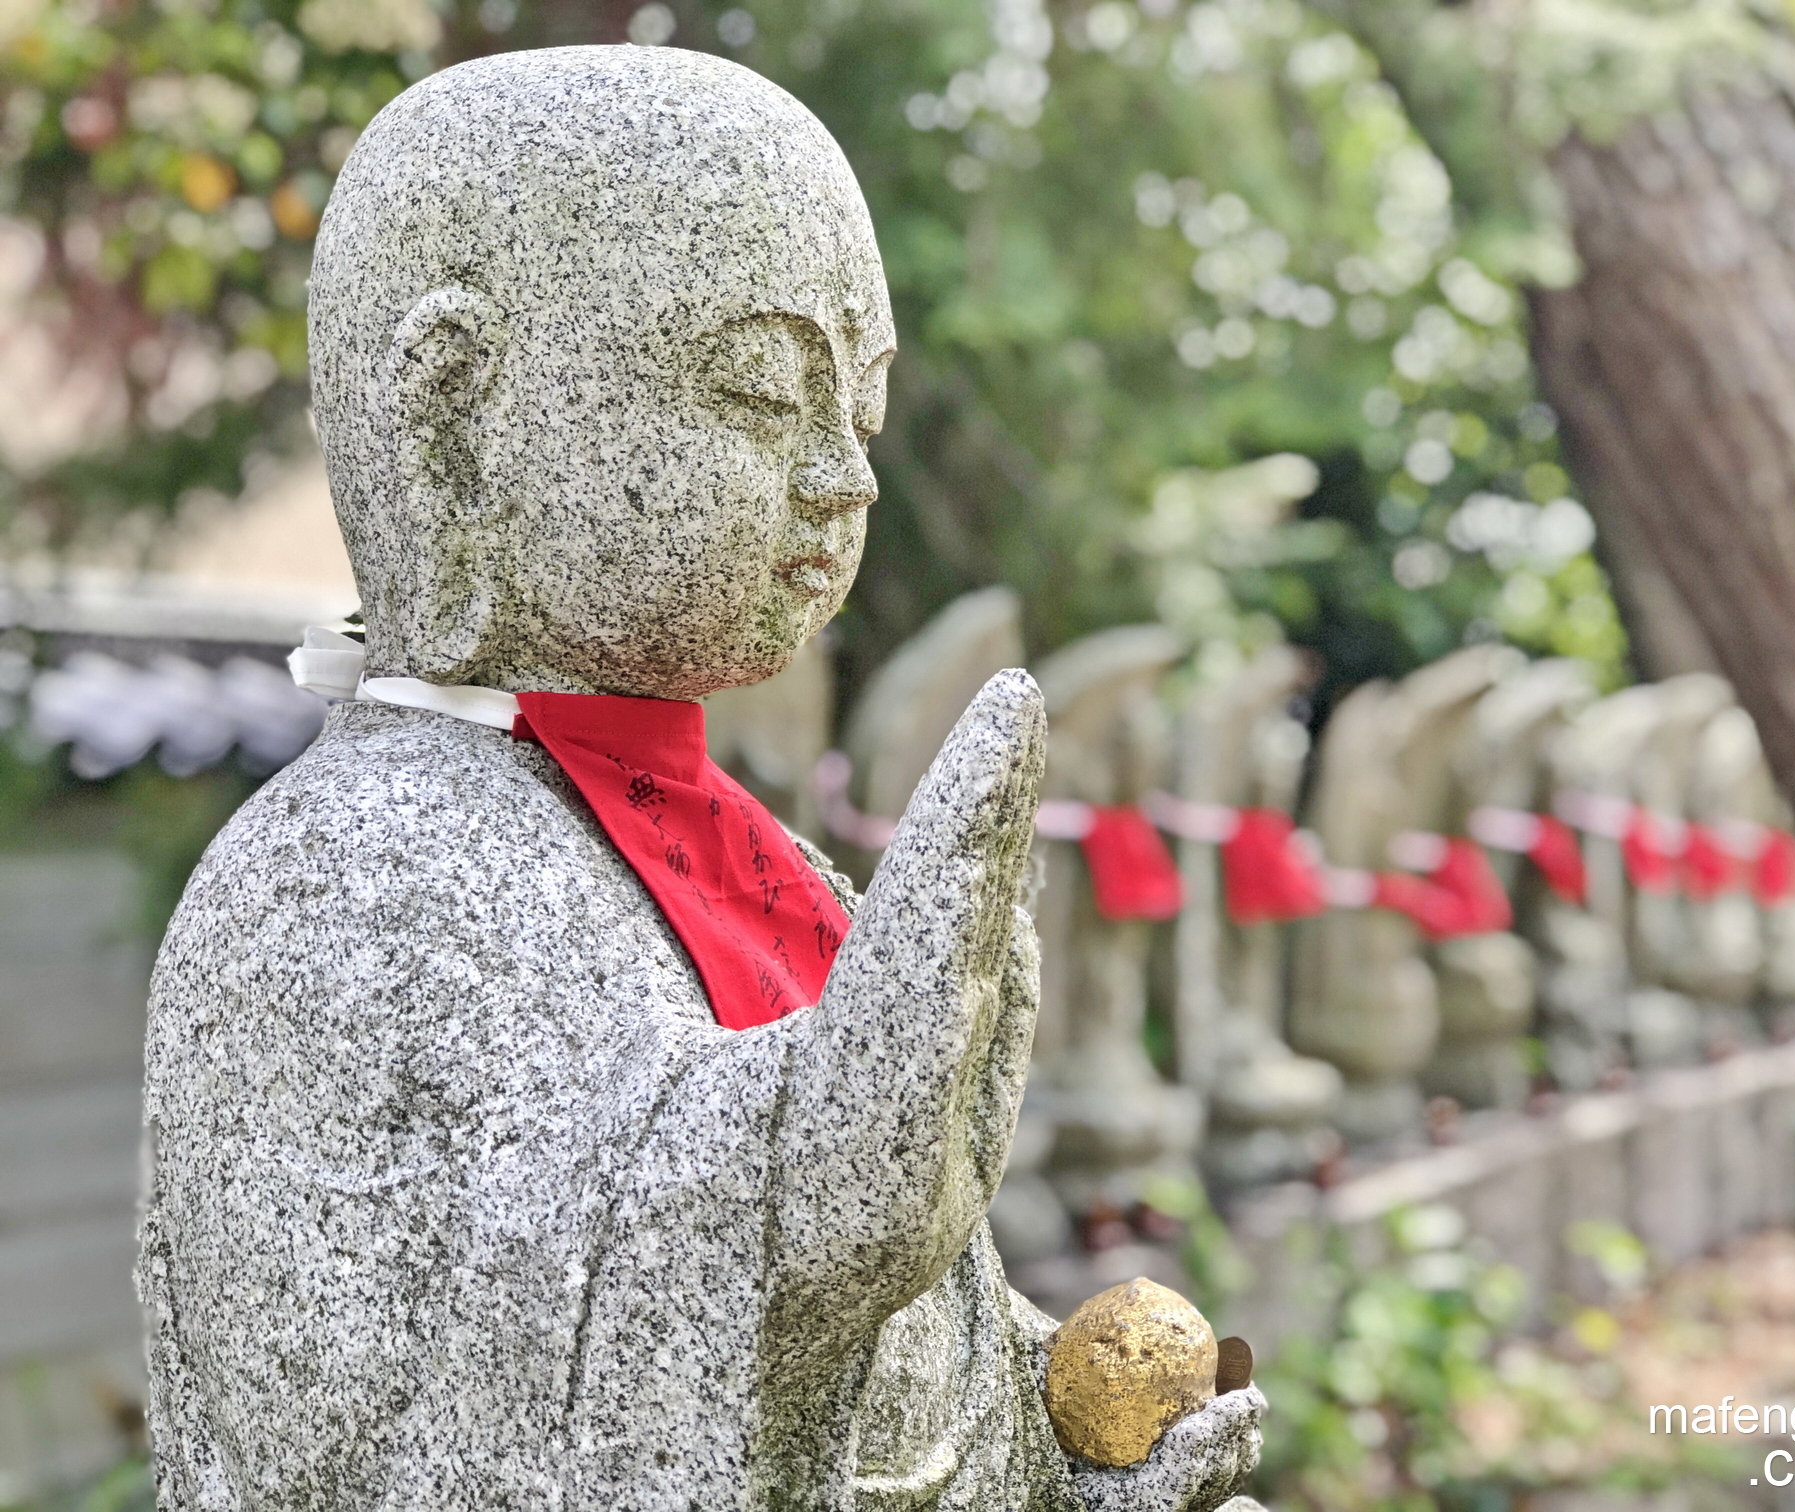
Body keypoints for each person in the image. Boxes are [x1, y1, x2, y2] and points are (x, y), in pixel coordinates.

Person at [140, 46, 1262, 1511]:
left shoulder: (764, 864)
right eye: (759, 389)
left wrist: (1061, 1447)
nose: (845, 479)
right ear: (454, 416)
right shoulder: (328, 892)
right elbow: (374, 1434)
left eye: (855, 408)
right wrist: (795, 1203)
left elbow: (906, 1377)